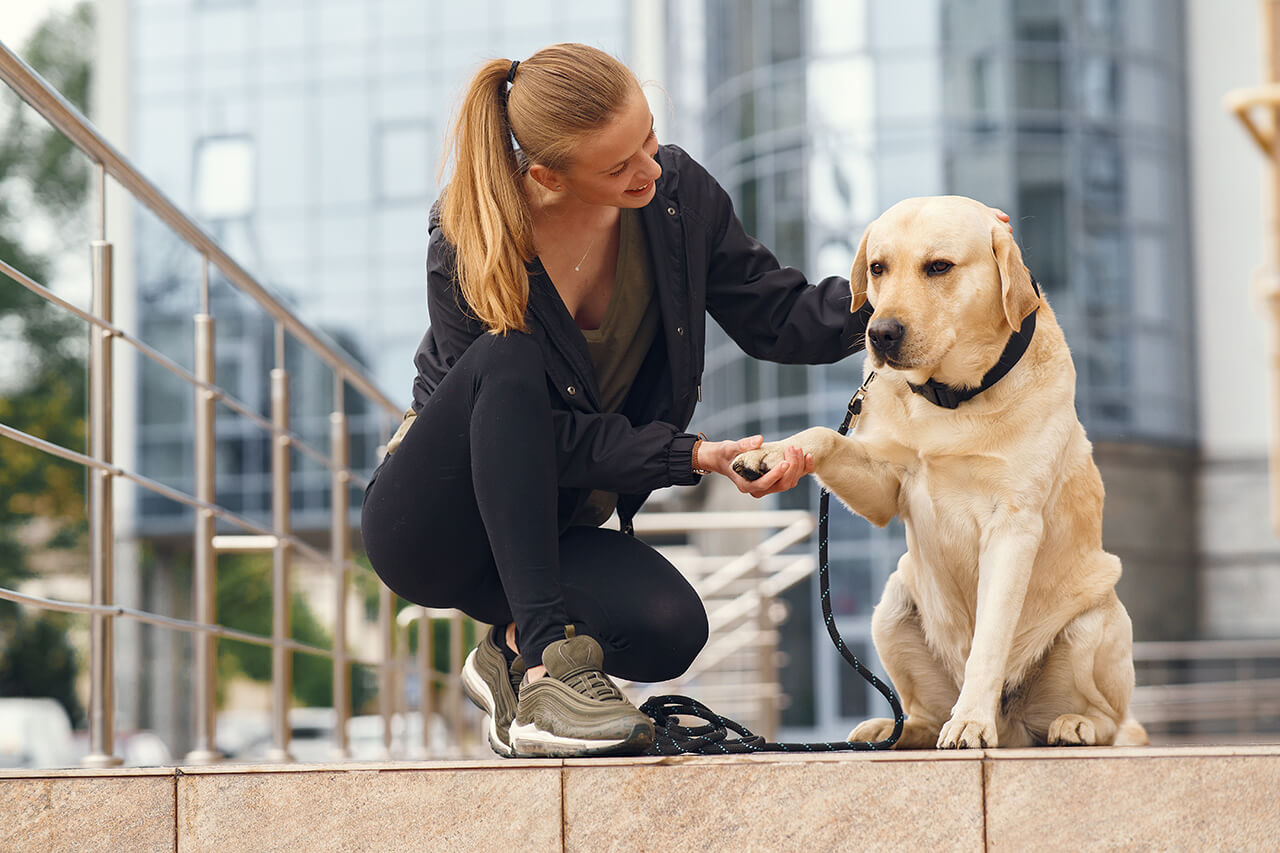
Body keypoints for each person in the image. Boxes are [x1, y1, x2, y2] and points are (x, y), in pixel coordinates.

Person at [360, 42, 1005, 759]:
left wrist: (907, 303)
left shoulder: (674, 199)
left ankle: (509, 650)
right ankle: (544, 667)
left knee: (670, 626)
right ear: (549, 174)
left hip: (550, 528)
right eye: (619, 164)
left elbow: (778, 313)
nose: (650, 165)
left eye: (649, 136)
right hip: (439, 526)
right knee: (506, 357)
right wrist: (688, 454)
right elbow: (535, 434)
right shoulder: (468, 240)